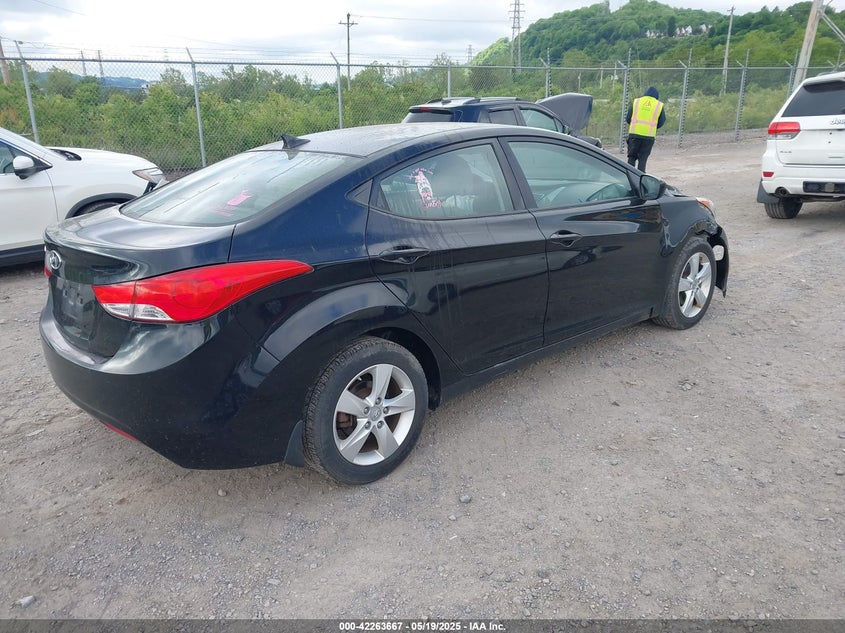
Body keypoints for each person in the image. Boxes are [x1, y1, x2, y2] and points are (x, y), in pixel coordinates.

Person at [625, 86, 666, 172]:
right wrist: (652, 127)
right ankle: (640, 178)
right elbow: (661, 121)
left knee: (631, 158)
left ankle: (629, 176)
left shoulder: (636, 102)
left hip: (634, 136)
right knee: (642, 160)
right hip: (648, 137)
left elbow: (628, 118)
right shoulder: (658, 105)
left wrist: (634, 125)